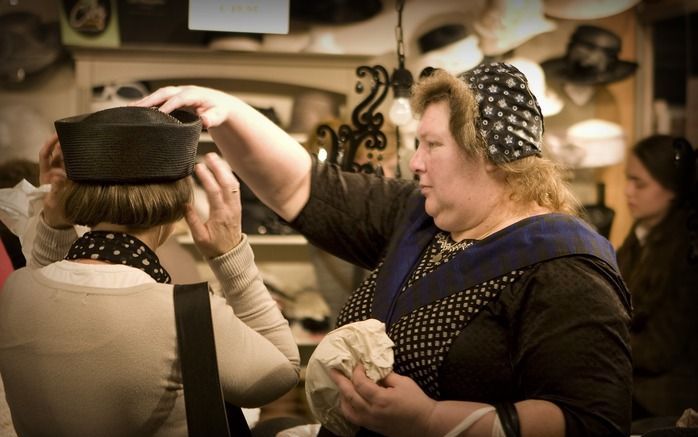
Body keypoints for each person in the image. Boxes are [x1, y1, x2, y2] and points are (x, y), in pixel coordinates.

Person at [134, 62, 633, 437]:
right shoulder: (419, 217)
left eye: (432, 145)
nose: (414, 162)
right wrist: (224, 110)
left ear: (491, 158)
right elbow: (302, 188)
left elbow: (590, 419)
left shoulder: (566, 268)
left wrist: (433, 420)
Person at [0, 107, 300, 436]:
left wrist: (54, 221)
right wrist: (231, 255)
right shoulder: (186, 313)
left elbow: (52, 299)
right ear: (181, 205)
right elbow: (281, 374)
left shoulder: (16, 291)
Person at [617, 134, 698, 422]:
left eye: (639, 183)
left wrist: (604, 339)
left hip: (663, 396)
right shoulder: (639, 236)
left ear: (672, 189)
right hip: (634, 379)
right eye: (628, 179)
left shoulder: (687, 251)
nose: (628, 191)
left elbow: (660, 350)